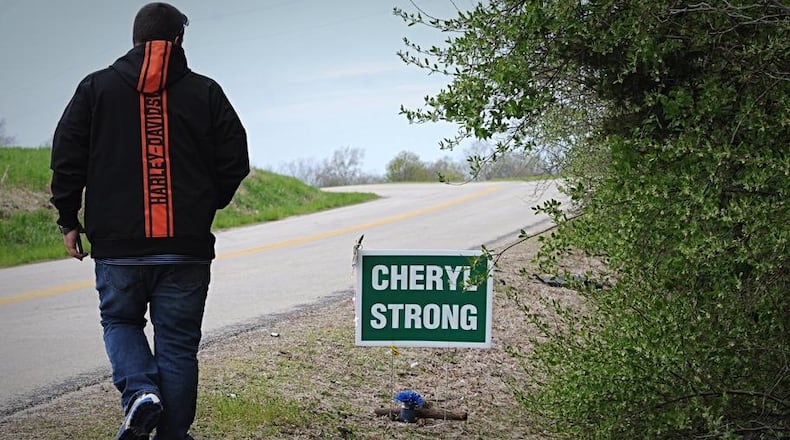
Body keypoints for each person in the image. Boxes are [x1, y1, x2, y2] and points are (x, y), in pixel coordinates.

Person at [50, 3, 249, 439]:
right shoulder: (206, 92)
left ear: (136, 39)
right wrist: (203, 204)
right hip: (186, 249)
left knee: (121, 322)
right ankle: (172, 434)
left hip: (118, 251)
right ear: (177, 42)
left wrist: (68, 218)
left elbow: (67, 157)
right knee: (177, 345)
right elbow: (236, 159)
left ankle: (140, 392)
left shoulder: (94, 89)